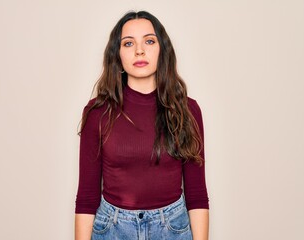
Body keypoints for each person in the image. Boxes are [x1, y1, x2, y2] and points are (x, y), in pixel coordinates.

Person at [74, 10, 209, 240]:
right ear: (117, 55)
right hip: (113, 230)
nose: (139, 50)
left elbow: (197, 195)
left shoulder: (188, 110)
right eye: (128, 43)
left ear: (162, 49)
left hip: (172, 230)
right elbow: (87, 198)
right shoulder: (97, 113)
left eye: (149, 40)